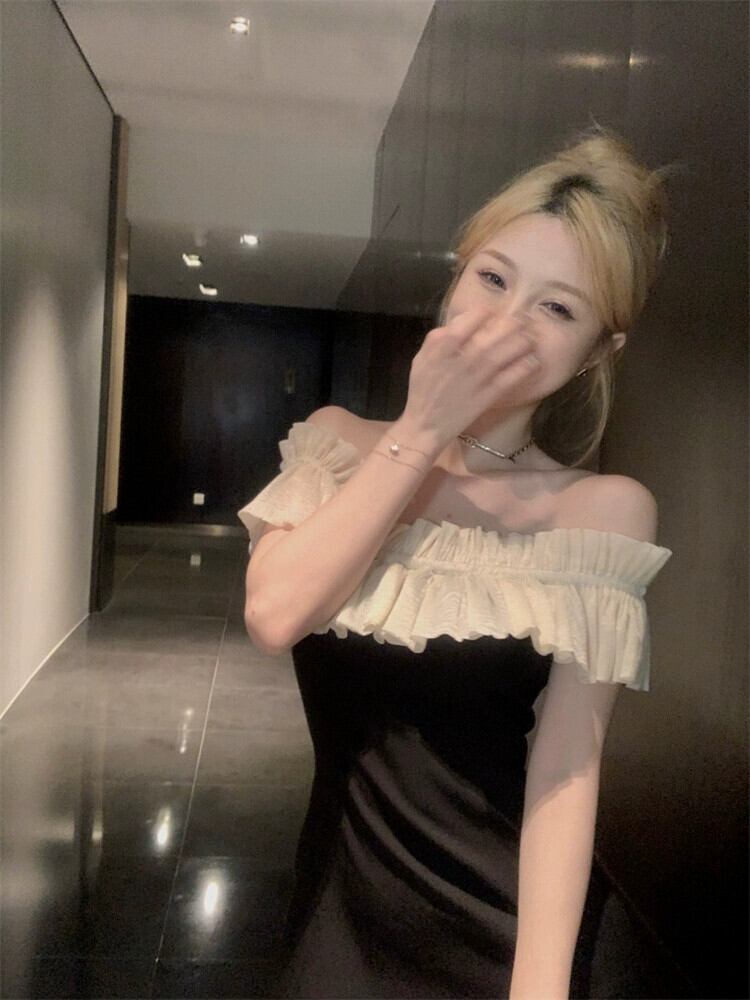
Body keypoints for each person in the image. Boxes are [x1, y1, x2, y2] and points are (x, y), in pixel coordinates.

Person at [237, 125, 674, 1000]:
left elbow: (567, 768)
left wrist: (539, 987)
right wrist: (424, 429)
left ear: (598, 351)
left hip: (501, 929)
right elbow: (275, 614)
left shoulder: (601, 511)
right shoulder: (337, 445)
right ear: (457, 276)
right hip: (341, 911)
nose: (507, 323)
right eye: (494, 278)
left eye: (558, 309)